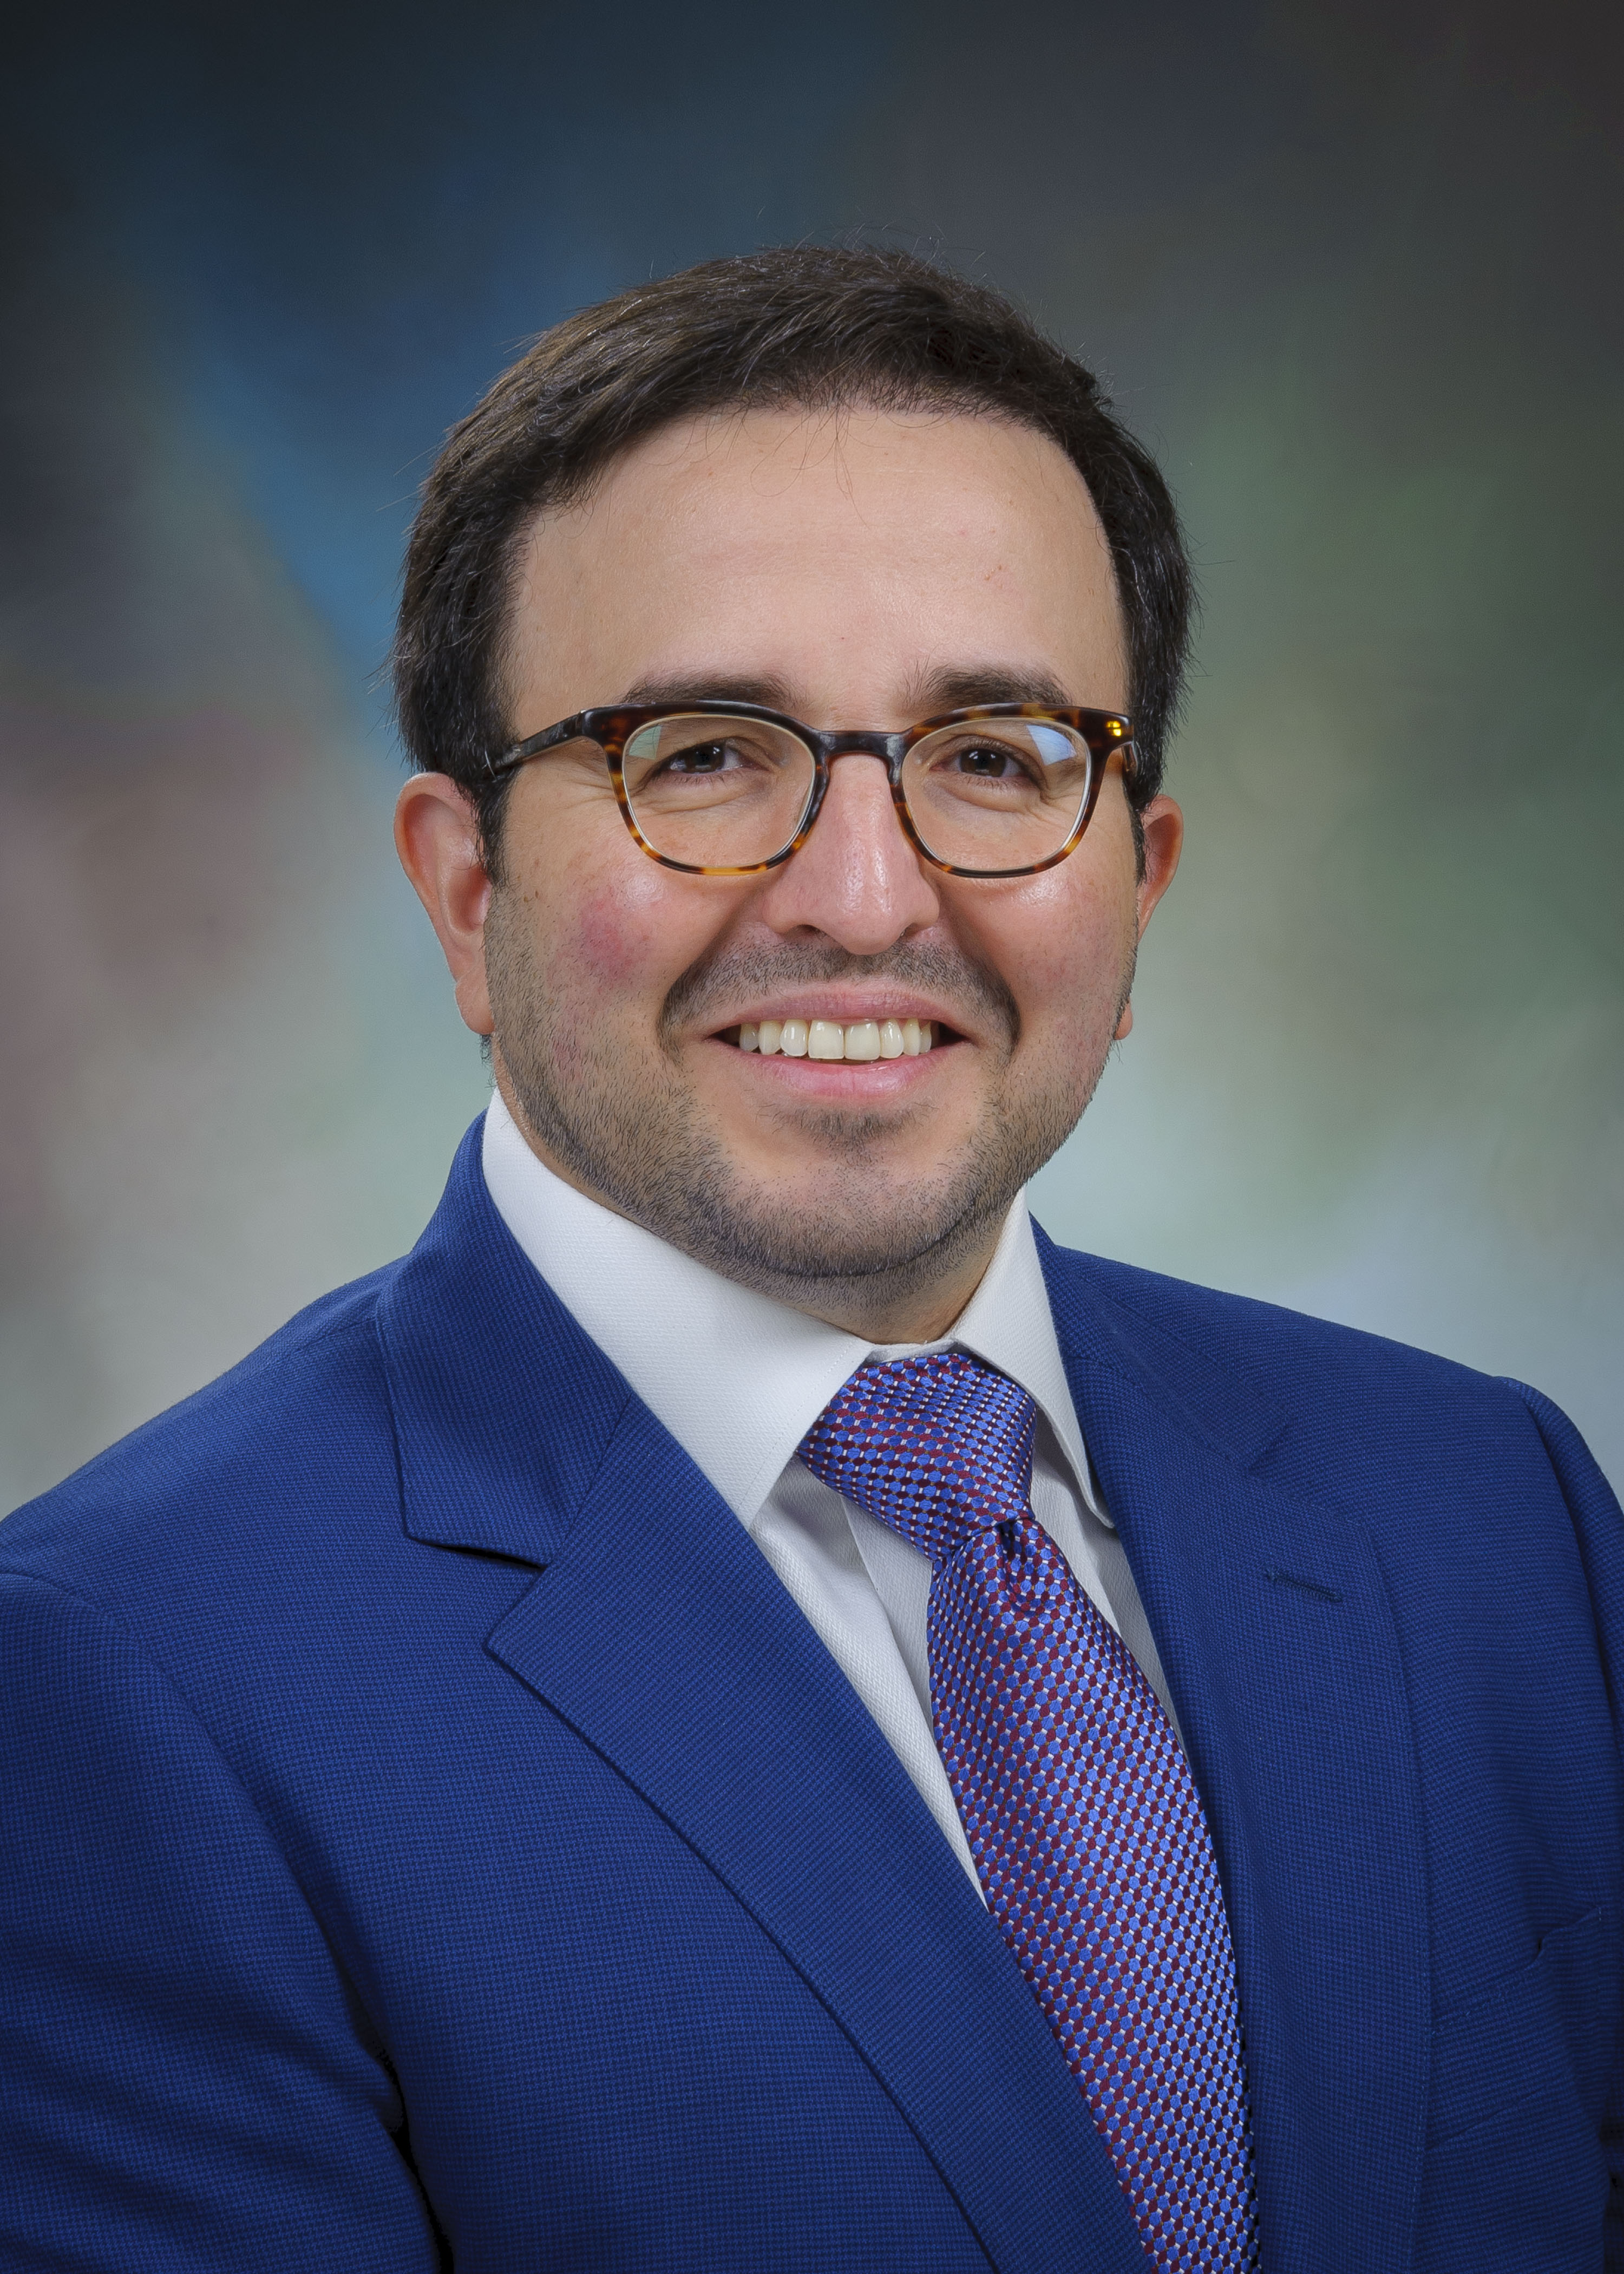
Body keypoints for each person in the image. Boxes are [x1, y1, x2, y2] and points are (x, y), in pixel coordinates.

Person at [1, 245, 1619, 2274]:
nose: (866, 899)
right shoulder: (114, 1691)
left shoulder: (1495, 1518)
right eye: (702, 753)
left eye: (1000, 758)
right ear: (464, 887)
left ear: (1140, 884)